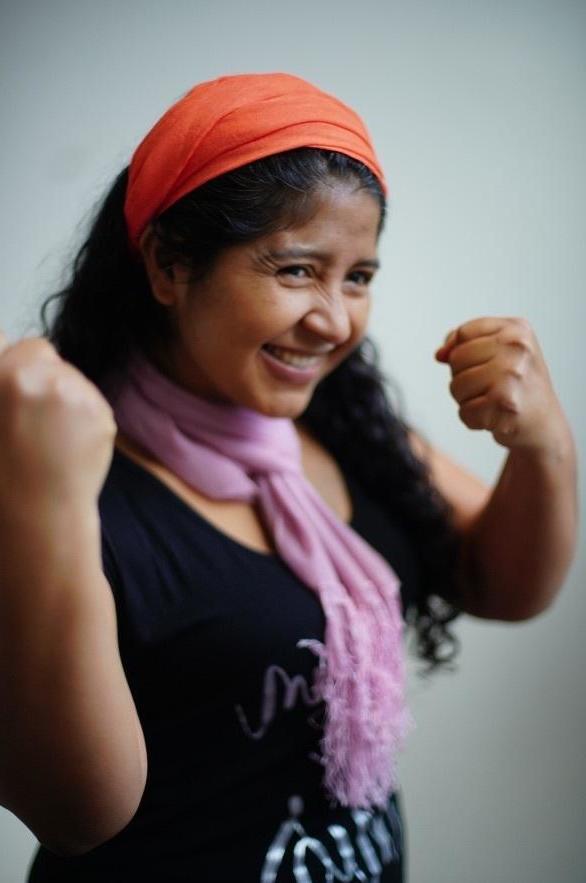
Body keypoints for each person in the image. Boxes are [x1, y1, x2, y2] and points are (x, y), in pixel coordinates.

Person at [0, 73, 577, 883]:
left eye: (359, 277)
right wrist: (46, 503)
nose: (335, 320)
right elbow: (76, 815)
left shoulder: (342, 426)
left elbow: (502, 582)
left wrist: (544, 444)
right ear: (168, 263)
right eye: (298, 270)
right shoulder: (56, 480)